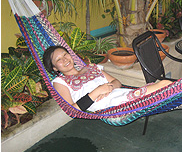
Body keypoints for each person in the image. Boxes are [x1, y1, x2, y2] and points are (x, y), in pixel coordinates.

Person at [43, 46, 172, 112]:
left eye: (65, 54)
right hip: (107, 106)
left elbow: (116, 82)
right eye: (59, 60)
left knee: (164, 84)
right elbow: (72, 110)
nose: (65, 59)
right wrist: (97, 92)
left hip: (118, 94)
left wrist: (108, 88)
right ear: (54, 68)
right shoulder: (60, 82)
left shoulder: (91, 68)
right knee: (164, 85)